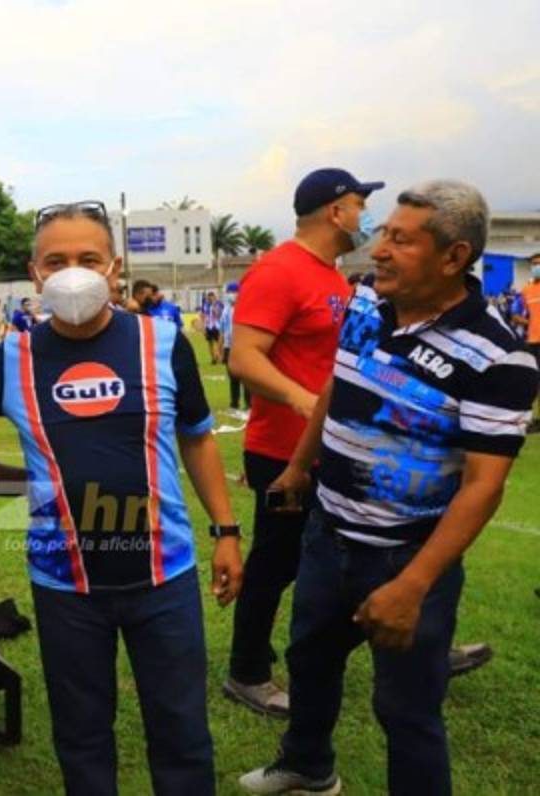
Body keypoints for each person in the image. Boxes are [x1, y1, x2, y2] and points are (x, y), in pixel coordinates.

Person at [240, 180, 539, 796]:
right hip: (329, 530)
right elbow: (335, 390)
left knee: (406, 707)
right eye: (382, 233)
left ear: (453, 257)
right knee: (309, 661)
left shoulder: (498, 359)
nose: (378, 249)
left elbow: (484, 487)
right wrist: (298, 469)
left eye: (400, 239)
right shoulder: (364, 308)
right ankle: (308, 766)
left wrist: (413, 585)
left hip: (406, 555)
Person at [0, 201, 244, 795]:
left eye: (88, 258)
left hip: (165, 579)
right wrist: (10, 488)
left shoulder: (164, 342)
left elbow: (198, 441)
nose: (74, 272)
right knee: (82, 737)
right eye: (57, 260)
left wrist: (226, 531)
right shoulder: (7, 362)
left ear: (114, 267)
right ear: (35, 272)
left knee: (181, 735)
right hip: (64, 587)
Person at [224, 167, 384, 717]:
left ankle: (405, 640)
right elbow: (242, 357)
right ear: (336, 211)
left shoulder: (334, 277)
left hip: (336, 445)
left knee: (361, 548)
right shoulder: (279, 270)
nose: (367, 216)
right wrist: (303, 402)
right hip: (282, 450)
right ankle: (247, 670)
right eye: (361, 204)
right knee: (277, 561)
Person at [220, 283, 251, 418]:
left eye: (232, 292)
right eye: (229, 292)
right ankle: (234, 404)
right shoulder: (226, 309)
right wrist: (221, 349)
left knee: (246, 377)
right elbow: (222, 329)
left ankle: (249, 405)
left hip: (242, 346)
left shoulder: (245, 308)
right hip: (229, 347)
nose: (230, 295)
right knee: (233, 377)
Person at [522, 254, 540, 430]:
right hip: (533, 341)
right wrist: (531, 323)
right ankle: (533, 419)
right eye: (534, 264)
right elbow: (517, 314)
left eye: (539, 264)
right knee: (532, 381)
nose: (536, 267)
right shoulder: (526, 290)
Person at [202, 291, 225, 364]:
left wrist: (214, 307)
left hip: (217, 326)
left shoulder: (219, 304)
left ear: (214, 297)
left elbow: (219, 315)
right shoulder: (205, 305)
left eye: (211, 298)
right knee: (210, 343)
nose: (210, 299)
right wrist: (204, 327)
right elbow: (204, 315)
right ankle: (213, 359)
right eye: (208, 298)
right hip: (208, 326)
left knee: (219, 343)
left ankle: (221, 358)